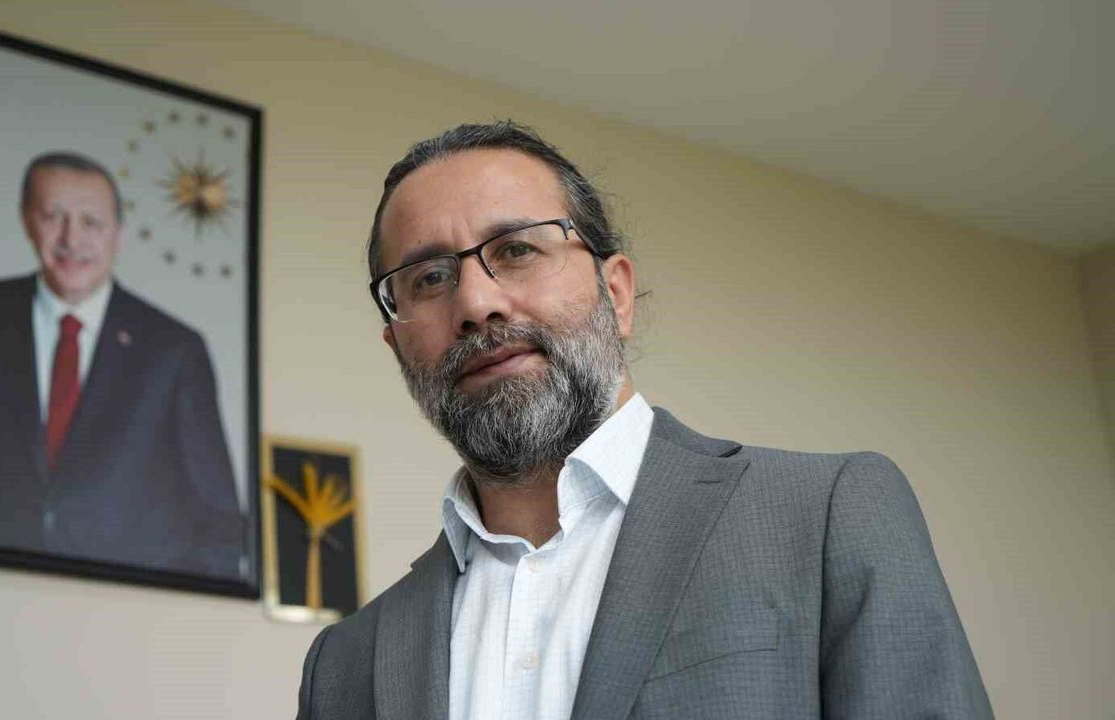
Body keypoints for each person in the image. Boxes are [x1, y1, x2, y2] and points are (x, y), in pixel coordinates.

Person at [297, 122, 992, 718]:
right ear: (398, 346)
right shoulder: (344, 663)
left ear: (618, 294)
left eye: (516, 250)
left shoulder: (828, 515)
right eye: (428, 278)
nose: (476, 304)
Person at [0, 151, 245, 580]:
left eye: (92, 222)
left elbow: (218, 524)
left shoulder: (175, 350)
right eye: (53, 216)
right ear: (27, 220)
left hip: (127, 604)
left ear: (118, 233)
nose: (72, 238)